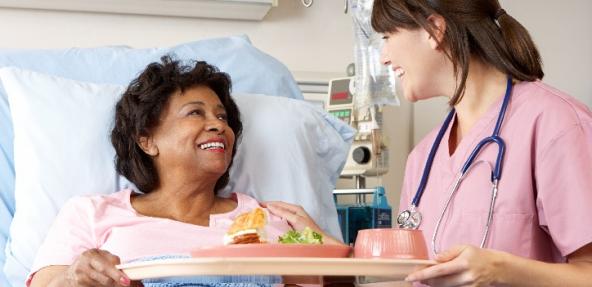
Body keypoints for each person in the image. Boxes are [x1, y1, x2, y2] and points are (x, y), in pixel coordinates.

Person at [27, 56, 340, 287]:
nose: (219, 125)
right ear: (147, 140)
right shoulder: (91, 214)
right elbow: (46, 283)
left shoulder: (272, 220)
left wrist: (329, 253)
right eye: (195, 113)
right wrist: (73, 278)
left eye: (222, 117)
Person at [372, 0, 592, 286]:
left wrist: (502, 270)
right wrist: (331, 251)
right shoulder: (423, 158)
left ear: (435, 29)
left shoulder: (556, 124)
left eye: (388, 37)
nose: (384, 57)